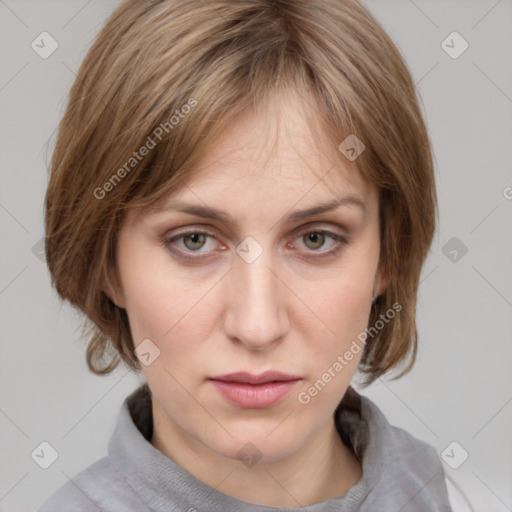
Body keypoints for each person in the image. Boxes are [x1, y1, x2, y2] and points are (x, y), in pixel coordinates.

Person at [37, 0, 457, 510]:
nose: (258, 326)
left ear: (388, 254)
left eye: (315, 238)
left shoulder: (429, 487)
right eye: (193, 240)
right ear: (105, 262)